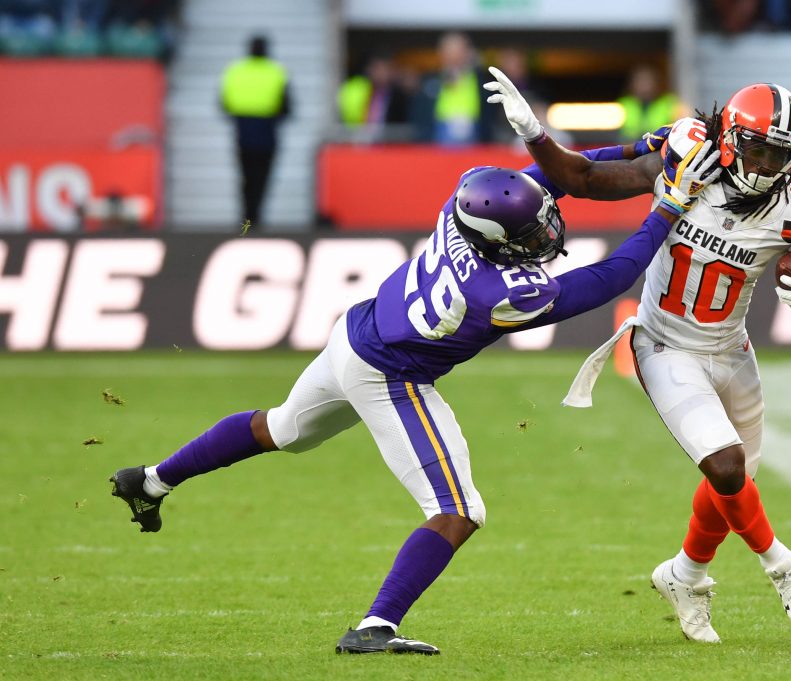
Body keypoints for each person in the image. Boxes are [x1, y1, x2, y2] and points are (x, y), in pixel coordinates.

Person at [108, 126, 688, 655]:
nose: (544, 233)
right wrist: (666, 208)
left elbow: (554, 179)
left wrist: (635, 151)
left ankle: (151, 480)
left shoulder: (462, 207)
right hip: (389, 373)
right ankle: (376, 626)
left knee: (281, 428)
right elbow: (609, 278)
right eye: (531, 231)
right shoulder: (496, 292)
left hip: (355, 332)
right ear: (496, 239)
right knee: (458, 511)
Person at [486, 67, 791, 643]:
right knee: (725, 467)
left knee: (730, 489)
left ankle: (685, 575)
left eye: (780, 154)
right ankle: (781, 566)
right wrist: (535, 135)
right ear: (732, 139)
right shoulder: (686, 159)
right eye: (759, 149)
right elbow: (585, 176)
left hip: (733, 350)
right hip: (664, 343)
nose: (768, 165)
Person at [220, 34, 291, 227]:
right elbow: (287, 107)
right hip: (267, 131)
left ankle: (247, 217)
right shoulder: (276, 71)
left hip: (243, 131)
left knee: (246, 177)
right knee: (262, 177)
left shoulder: (235, 71)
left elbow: (223, 104)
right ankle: (255, 216)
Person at [412, 32, 493, 145]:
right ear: (441, 53)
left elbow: (490, 117)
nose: (454, 57)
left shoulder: (483, 82)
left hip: (476, 145)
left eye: (458, 51)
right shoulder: (428, 82)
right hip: (436, 146)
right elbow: (420, 118)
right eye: (450, 52)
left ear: (468, 53)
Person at [617, 64, 682, 143]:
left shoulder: (669, 103)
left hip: (659, 149)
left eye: (648, 81)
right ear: (632, 84)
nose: (644, 86)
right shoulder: (624, 104)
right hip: (630, 148)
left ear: (657, 83)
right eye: (640, 81)